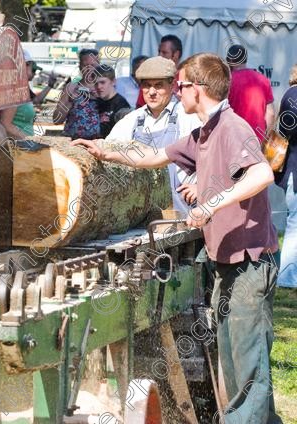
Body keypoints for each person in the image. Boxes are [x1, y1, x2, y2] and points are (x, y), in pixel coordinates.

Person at [73, 53, 281, 424]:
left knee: (248, 365)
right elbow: (155, 156)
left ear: (197, 90)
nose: (176, 91)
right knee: (234, 365)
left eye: (180, 84)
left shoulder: (232, 128)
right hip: (227, 260)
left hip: (249, 263)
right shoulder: (203, 132)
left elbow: (261, 174)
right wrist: (106, 151)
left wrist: (211, 203)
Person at [107, 56, 201, 214]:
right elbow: (110, 151)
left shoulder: (188, 117)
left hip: (183, 212)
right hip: (140, 214)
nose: (151, 92)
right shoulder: (131, 121)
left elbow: (210, 159)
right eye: (146, 86)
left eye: (158, 86)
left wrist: (201, 186)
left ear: (172, 85)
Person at [0, 50, 41, 139]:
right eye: (31, 65)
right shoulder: (14, 90)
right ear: (24, 65)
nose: (32, 69)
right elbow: (6, 124)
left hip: (20, 145)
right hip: (17, 146)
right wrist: (28, 139)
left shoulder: (17, 88)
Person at [275, 64, 297, 288]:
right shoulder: (293, 96)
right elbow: (286, 131)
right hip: (294, 171)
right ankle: (288, 278)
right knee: (295, 225)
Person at [226, 44, 275, 142]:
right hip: (257, 139)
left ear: (230, 61)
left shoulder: (227, 81)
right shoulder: (263, 79)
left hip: (234, 138)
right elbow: (271, 114)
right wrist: (265, 137)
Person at [54, 51, 102, 140]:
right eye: (85, 65)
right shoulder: (71, 87)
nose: (89, 69)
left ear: (99, 66)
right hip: (73, 142)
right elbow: (57, 120)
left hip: (99, 143)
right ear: (79, 66)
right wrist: (68, 103)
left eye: (93, 65)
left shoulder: (105, 88)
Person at [94, 64, 131, 138]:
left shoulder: (121, 105)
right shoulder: (95, 102)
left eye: (102, 82)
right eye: (96, 83)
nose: (99, 86)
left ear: (113, 82)